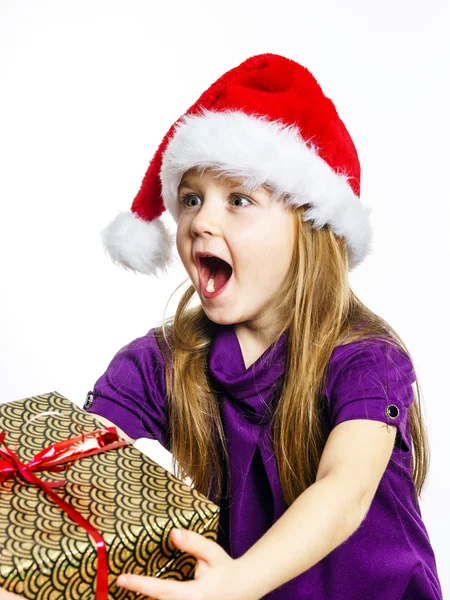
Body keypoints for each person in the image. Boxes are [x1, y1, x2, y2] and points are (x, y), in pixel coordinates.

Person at [1, 53, 442, 600]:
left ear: (312, 228)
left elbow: (344, 490)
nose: (200, 221)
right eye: (190, 199)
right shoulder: (155, 364)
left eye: (238, 199)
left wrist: (237, 582)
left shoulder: (365, 359)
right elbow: (82, 478)